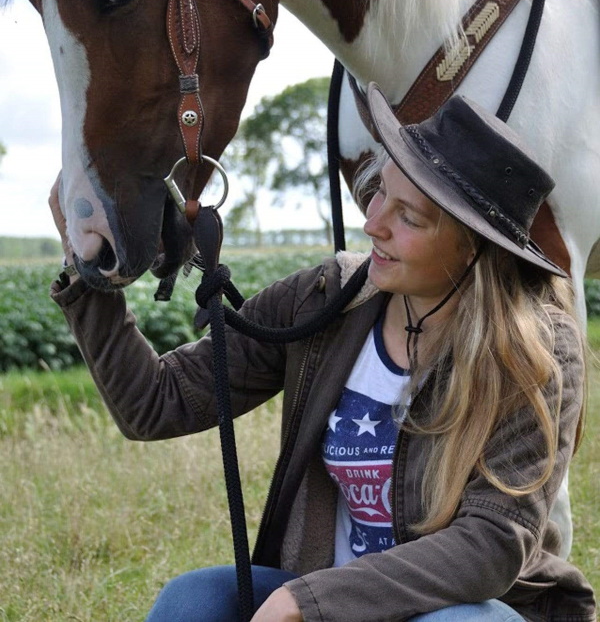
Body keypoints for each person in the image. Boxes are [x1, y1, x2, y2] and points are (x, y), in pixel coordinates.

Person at [49, 84, 595, 622]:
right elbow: (155, 402)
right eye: (381, 191)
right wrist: (87, 262)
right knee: (191, 602)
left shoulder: (538, 351)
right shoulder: (327, 298)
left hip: (461, 609)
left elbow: (492, 545)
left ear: (475, 249)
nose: (372, 222)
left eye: (409, 217)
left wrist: (308, 603)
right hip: (323, 594)